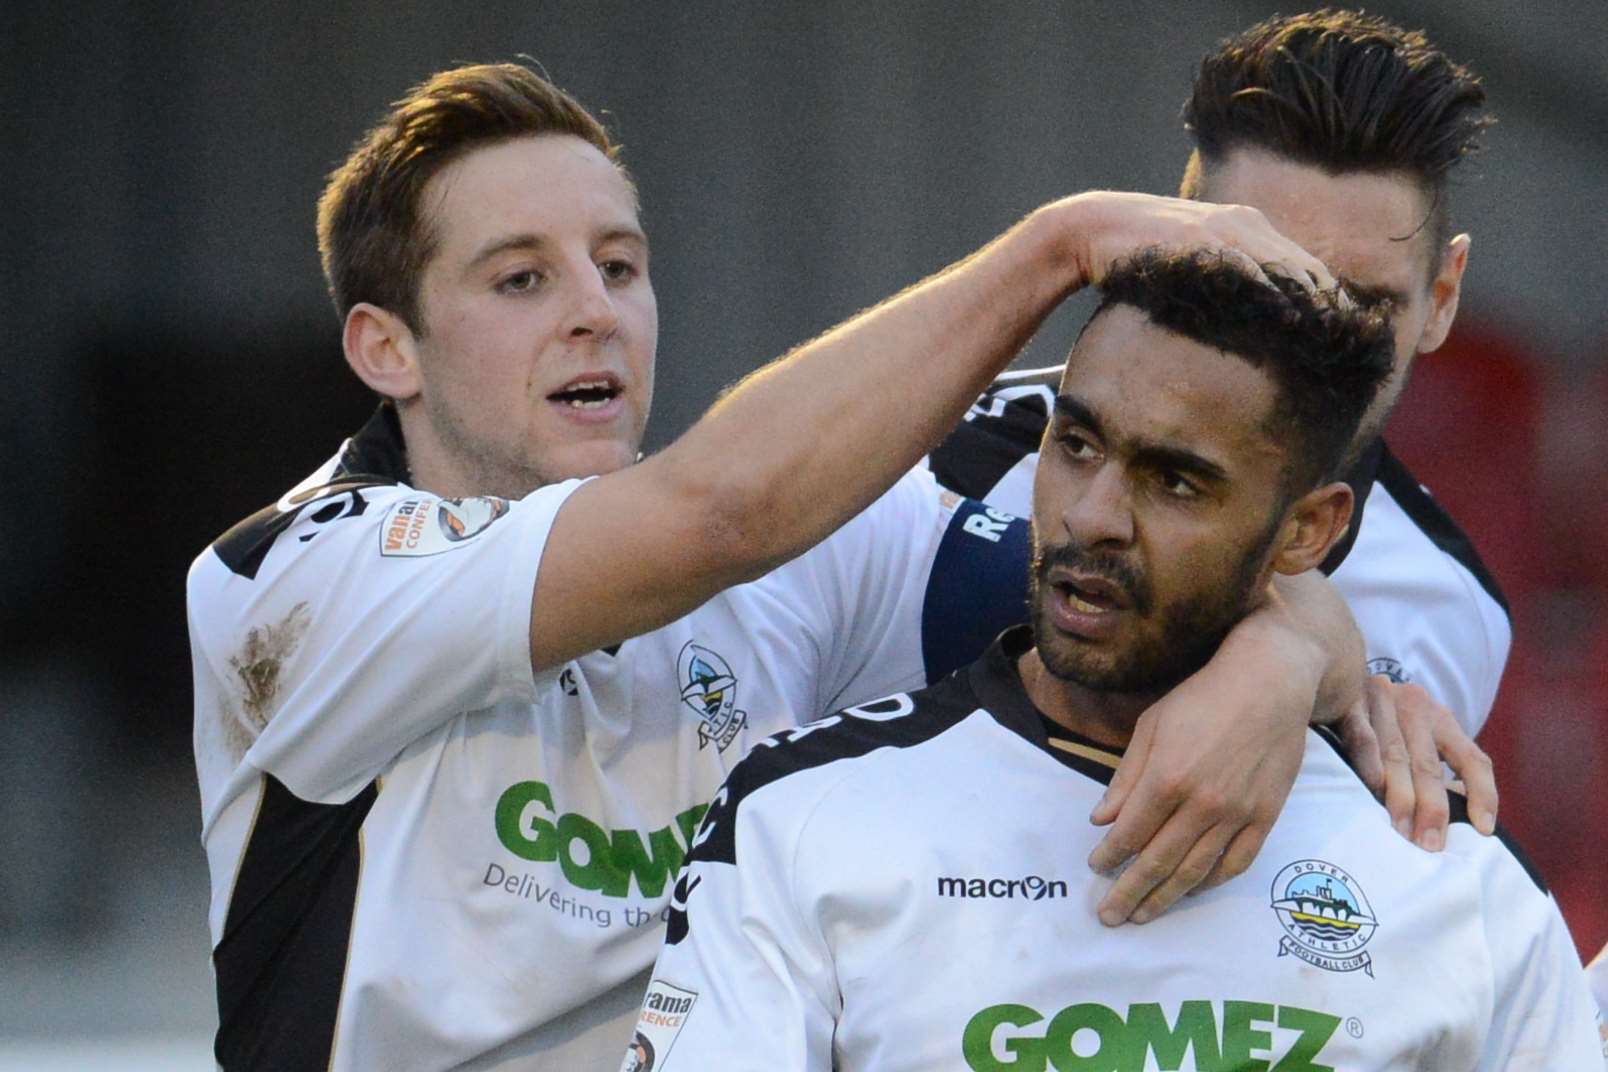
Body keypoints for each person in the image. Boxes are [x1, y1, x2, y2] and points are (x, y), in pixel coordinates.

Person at [185, 63, 1474, 1071]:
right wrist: (1059, 246)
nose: (595, 308)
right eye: (520, 278)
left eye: (619, 265)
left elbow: (1149, 553)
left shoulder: (779, 576)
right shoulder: (298, 582)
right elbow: (717, 507)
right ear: (385, 349)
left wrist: (1289, 649)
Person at [633, 249, 1601, 1070]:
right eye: (1078, 444)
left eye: (1176, 481)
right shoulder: (803, 816)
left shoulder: (1451, 877)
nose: (1092, 516)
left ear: (1307, 531)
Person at [929, 12, 1509, 818]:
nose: (1304, 347)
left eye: (1364, 307)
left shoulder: (1451, 607)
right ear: (1177, 244)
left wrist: (1302, 656)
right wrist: (1299, 644)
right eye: (1264, 283)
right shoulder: (936, 469)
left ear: (1441, 300)